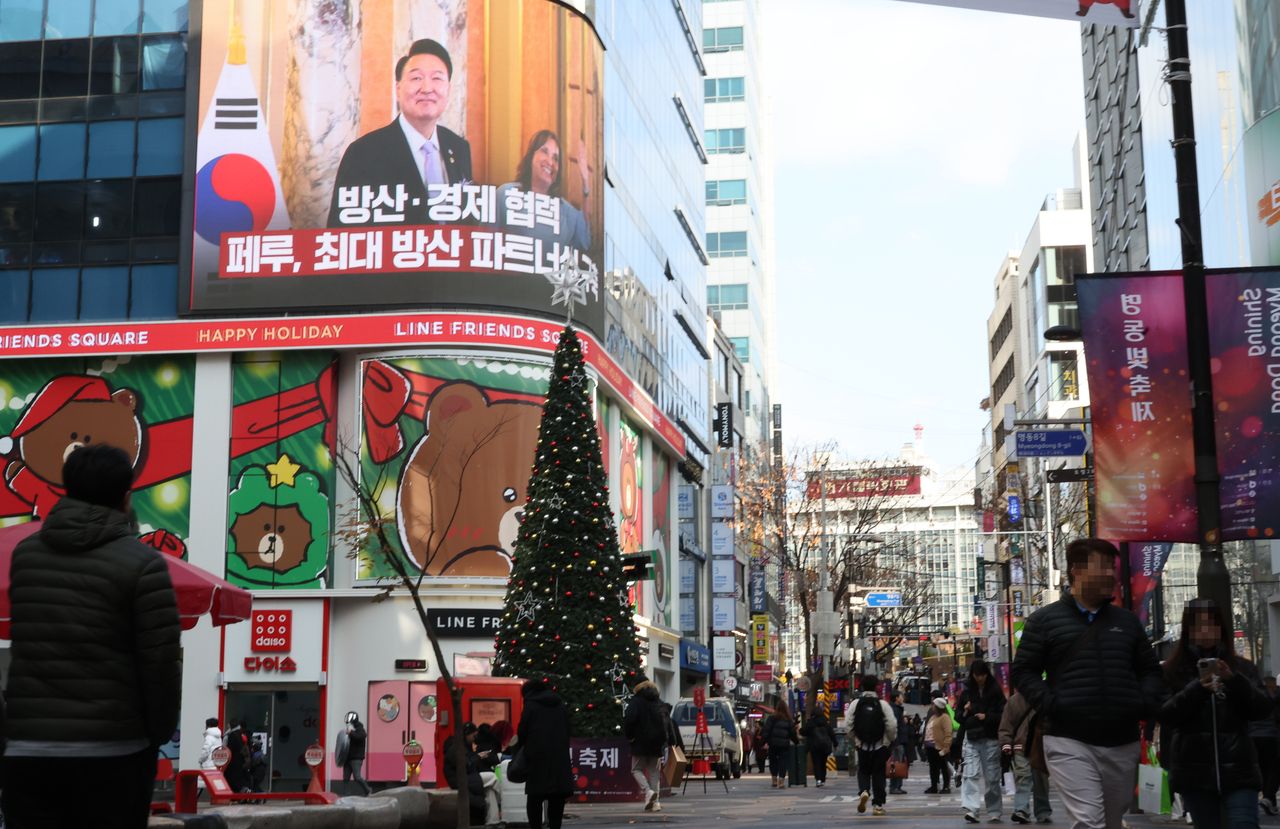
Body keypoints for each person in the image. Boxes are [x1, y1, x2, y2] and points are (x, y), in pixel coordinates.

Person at [0, 444, 181, 829]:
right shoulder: (145, 565)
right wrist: (156, 737)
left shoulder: (25, 556)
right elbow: (160, 666)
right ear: (126, 496)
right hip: (113, 755)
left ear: (66, 488)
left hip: (29, 754)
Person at [1011, 537, 1163, 829]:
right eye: (1103, 567)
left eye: (1113, 568)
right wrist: (1051, 704)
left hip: (1123, 739)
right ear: (1077, 571)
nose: (1111, 575)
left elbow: (1150, 671)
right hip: (1068, 739)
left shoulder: (1127, 622)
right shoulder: (1044, 621)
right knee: (1088, 821)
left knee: (1111, 821)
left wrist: (1143, 703)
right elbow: (1024, 671)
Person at [328, 38, 473, 228]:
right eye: (416, 78)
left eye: (437, 78)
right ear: (398, 89)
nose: (427, 88)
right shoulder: (364, 153)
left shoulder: (459, 147)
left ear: (448, 89)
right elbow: (342, 231)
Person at [1159, 598, 1273, 829]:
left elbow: (1262, 708)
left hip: (1239, 769)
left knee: (1245, 825)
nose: (1205, 631)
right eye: (1198, 625)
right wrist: (1197, 689)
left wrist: (1234, 680)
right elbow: (1165, 714)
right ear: (1188, 630)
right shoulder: (1172, 670)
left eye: (1211, 624)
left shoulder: (1241, 667)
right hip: (1194, 772)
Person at [496, 130, 593, 252]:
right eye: (544, 151)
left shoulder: (564, 210)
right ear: (531, 156)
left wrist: (585, 183)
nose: (550, 162)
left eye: (555, 158)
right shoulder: (505, 194)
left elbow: (584, 240)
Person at [516, 679, 573, 829]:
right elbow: (568, 730)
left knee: (534, 799)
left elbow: (522, 732)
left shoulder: (531, 706)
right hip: (559, 760)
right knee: (557, 799)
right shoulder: (560, 705)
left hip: (537, 760)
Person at [958, 659, 1006, 823]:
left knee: (992, 776)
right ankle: (972, 809)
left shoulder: (995, 691)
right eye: (977, 675)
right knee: (970, 773)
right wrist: (965, 711)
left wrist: (987, 717)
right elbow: (958, 717)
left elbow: (1003, 714)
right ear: (973, 674)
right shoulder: (966, 693)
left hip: (990, 737)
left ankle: (994, 810)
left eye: (983, 674)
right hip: (971, 737)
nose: (980, 678)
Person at [1000, 689, 1052, 824]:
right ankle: (1024, 809)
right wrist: (1006, 742)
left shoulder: (1042, 697)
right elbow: (1007, 723)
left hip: (1035, 744)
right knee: (1025, 777)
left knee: (1039, 778)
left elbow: (1006, 724)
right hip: (1025, 745)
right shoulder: (1015, 701)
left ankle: (1038, 810)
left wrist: (1006, 742)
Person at [850, 674, 897, 816]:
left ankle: (864, 791)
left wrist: (857, 739)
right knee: (878, 774)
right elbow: (892, 725)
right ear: (876, 687)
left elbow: (848, 725)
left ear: (862, 687)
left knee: (863, 771)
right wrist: (889, 740)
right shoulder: (883, 704)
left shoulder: (855, 704)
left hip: (862, 745)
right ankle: (878, 805)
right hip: (880, 745)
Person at [623, 679, 671, 811]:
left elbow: (630, 719)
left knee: (636, 769)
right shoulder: (658, 700)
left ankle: (649, 792)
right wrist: (670, 739)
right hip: (657, 742)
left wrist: (630, 736)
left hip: (640, 741)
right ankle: (655, 804)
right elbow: (668, 718)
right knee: (654, 772)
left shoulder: (636, 701)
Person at [443, 721, 500, 824]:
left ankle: (493, 821)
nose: (474, 738)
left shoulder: (462, 746)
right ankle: (502, 800)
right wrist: (479, 757)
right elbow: (466, 765)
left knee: (489, 790)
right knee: (493, 777)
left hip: (467, 777)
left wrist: (477, 756)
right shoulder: (456, 748)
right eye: (473, 735)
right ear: (466, 734)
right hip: (460, 779)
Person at [1253, 677, 1280, 815]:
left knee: (1263, 769)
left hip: (1253, 736)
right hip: (1271, 735)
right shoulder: (1275, 696)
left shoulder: (1253, 695)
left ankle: (1270, 802)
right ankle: (1268, 798)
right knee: (1275, 769)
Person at [761, 700, 799, 788]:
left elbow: (766, 731)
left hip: (773, 743)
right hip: (784, 744)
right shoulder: (789, 720)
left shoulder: (771, 718)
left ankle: (774, 779)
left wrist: (762, 742)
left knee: (773, 761)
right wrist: (796, 742)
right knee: (783, 761)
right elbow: (792, 733)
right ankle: (781, 780)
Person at [923, 697, 954, 794]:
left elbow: (948, 732)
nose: (932, 706)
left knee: (943, 766)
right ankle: (934, 786)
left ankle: (946, 786)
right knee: (933, 767)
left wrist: (946, 745)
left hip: (940, 747)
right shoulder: (933, 717)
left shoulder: (945, 717)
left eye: (934, 705)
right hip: (930, 747)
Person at [799, 707, 834, 788]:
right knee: (823, 763)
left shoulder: (810, 723)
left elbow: (803, 732)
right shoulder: (825, 722)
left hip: (814, 746)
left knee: (816, 763)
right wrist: (835, 744)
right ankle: (823, 780)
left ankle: (818, 780)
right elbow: (832, 734)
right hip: (825, 746)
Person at [344, 714, 372, 796]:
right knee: (346, 777)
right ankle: (347, 794)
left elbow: (361, 737)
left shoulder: (360, 729)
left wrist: (351, 733)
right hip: (347, 757)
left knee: (357, 777)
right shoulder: (349, 729)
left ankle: (368, 789)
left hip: (356, 757)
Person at [223, 718, 253, 794]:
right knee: (237, 780)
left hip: (232, 762)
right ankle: (244, 793)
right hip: (238, 761)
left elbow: (229, 749)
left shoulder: (232, 735)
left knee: (233, 781)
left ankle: (243, 793)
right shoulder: (239, 734)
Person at [887, 691, 909, 795]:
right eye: (901, 697)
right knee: (895, 765)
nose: (903, 699)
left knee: (899, 764)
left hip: (900, 741)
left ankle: (898, 786)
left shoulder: (896, 709)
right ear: (896, 698)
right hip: (897, 742)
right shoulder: (894, 710)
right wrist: (895, 742)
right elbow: (893, 727)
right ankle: (894, 786)